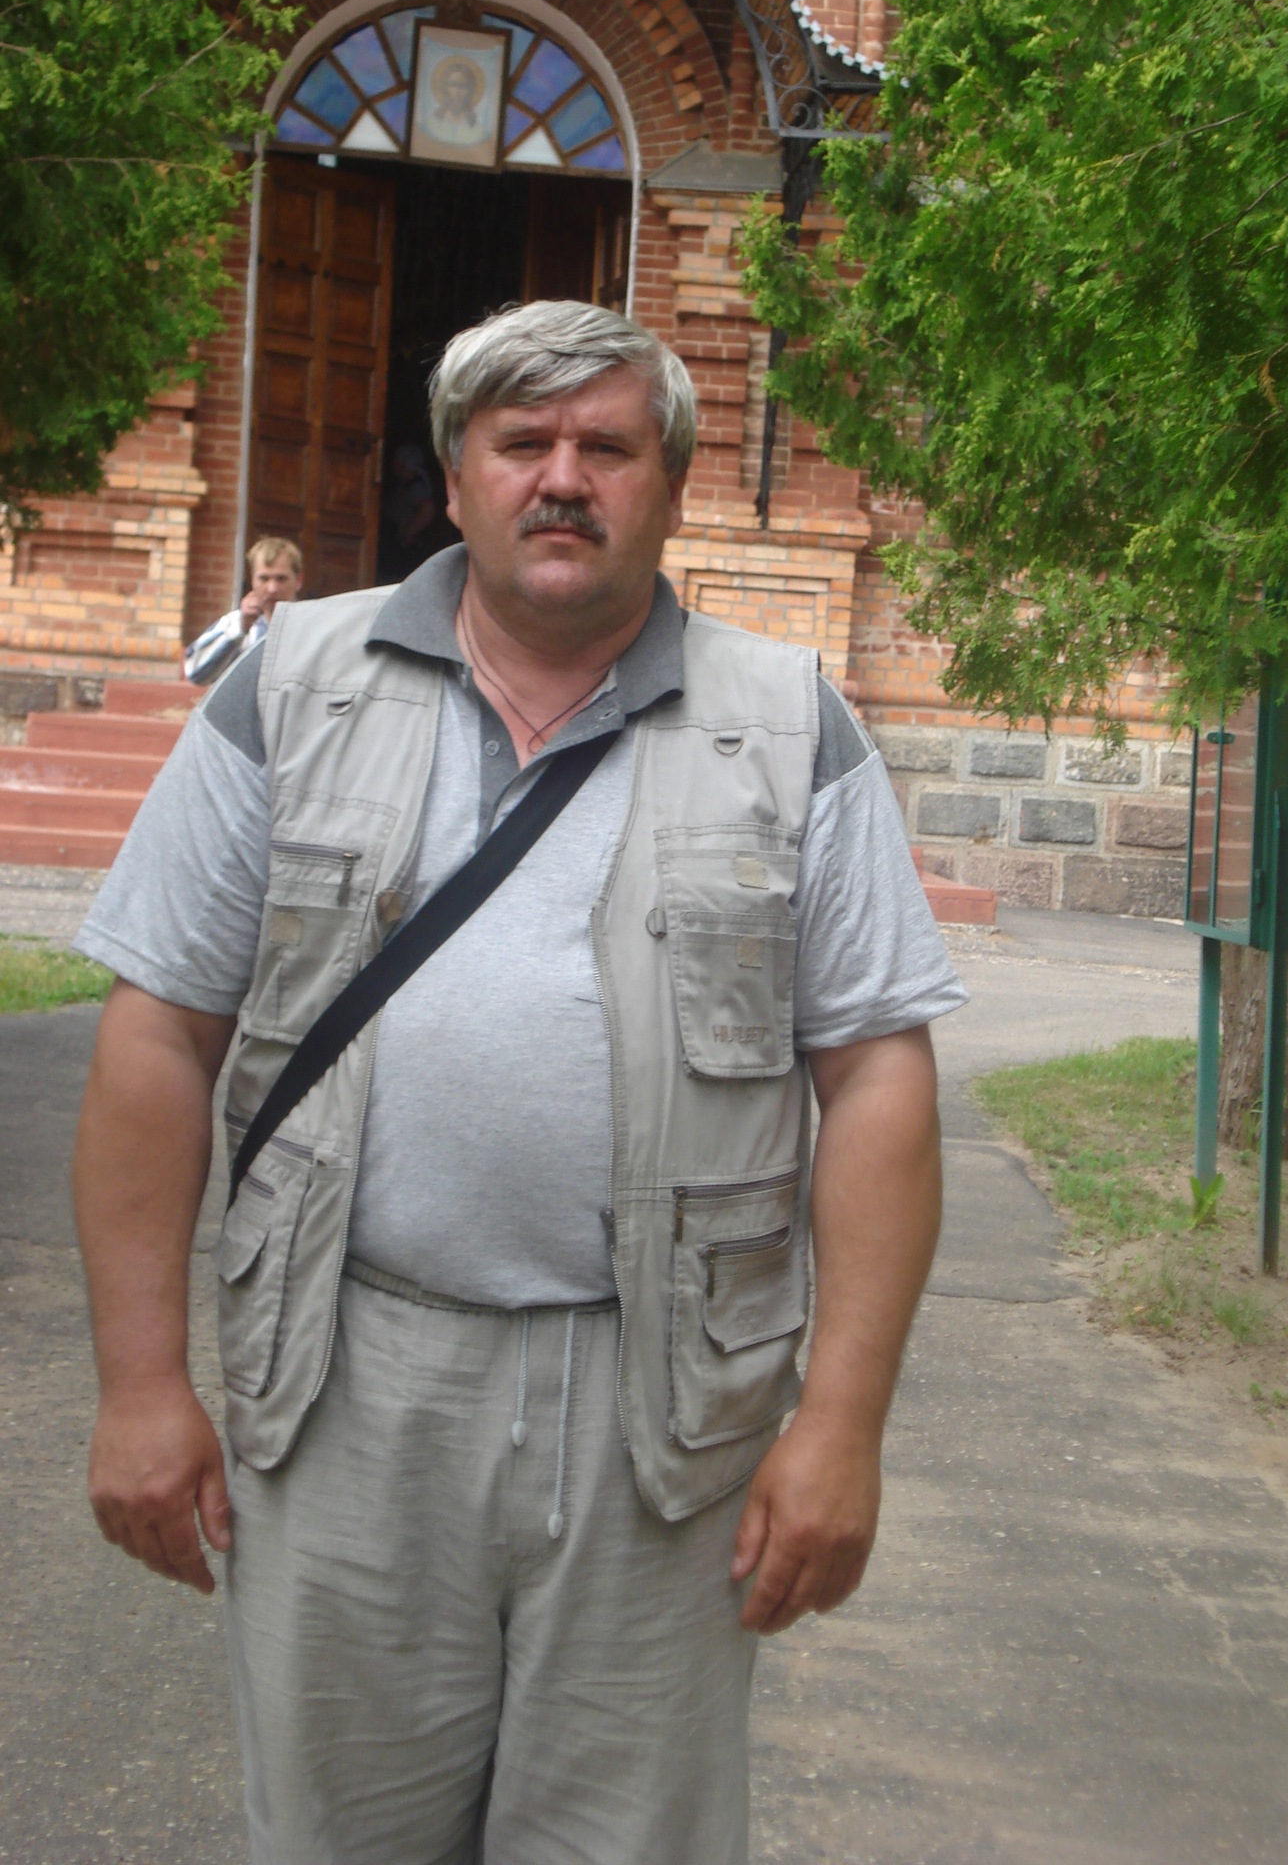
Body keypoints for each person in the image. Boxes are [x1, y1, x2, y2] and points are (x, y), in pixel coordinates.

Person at [72, 301, 966, 1865]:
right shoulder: (291, 689)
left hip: (665, 1409)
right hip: (347, 1383)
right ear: (455, 477)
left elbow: (878, 1078)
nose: (564, 479)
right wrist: (142, 1385)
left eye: (607, 447)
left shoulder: (788, 725)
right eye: (523, 443)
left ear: (671, 486)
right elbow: (158, 1037)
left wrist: (843, 1424)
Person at [182, 536, 302, 686]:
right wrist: (241, 628)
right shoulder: (235, 623)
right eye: (264, 579)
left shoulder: (313, 626)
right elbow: (195, 673)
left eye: (281, 579)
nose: (272, 589)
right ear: (252, 580)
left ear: (298, 580)